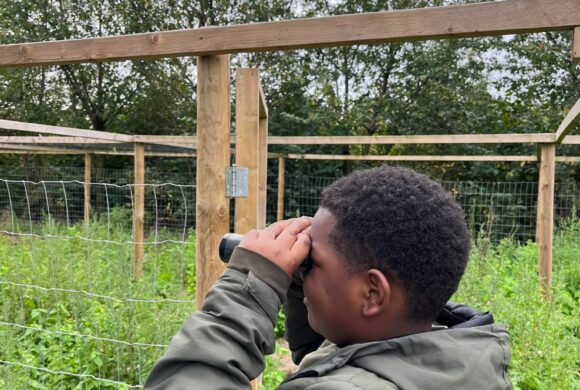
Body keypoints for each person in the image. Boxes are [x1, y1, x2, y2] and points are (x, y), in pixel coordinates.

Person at [144, 165, 512, 389]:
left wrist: (248, 287)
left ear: (372, 294)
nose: (301, 269)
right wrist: (298, 283)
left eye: (311, 262)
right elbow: (337, 361)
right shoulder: (462, 361)